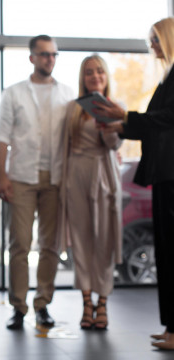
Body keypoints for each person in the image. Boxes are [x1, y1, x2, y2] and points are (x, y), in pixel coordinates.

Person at [94, 17, 174, 349]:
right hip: (163, 175)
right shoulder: (166, 77)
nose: (151, 45)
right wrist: (120, 125)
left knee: (171, 252)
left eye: (154, 39)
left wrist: (124, 117)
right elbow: (154, 125)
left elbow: (167, 119)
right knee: (166, 253)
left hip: (171, 175)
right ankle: (171, 327)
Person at [0, 35, 74, 330]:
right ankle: (18, 306)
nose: (49, 59)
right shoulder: (13, 93)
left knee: (51, 246)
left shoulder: (67, 94)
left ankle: (43, 305)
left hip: (56, 178)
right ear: (31, 58)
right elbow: (2, 137)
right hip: (21, 177)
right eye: (43, 54)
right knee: (20, 245)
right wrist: (2, 176)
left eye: (53, 54)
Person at [60, 55, 123, 330]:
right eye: (89, 72)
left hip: (105, 176)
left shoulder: (116, 107)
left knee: (105, 243)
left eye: (99, 71)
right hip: (77, 176)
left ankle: (103, 304)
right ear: (83, 79)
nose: (95, 76)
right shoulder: (73, 108)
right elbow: (64, 147)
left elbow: (114, 146)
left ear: (106, 75)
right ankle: (87, 303)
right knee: (82, 243)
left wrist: (108, 127)